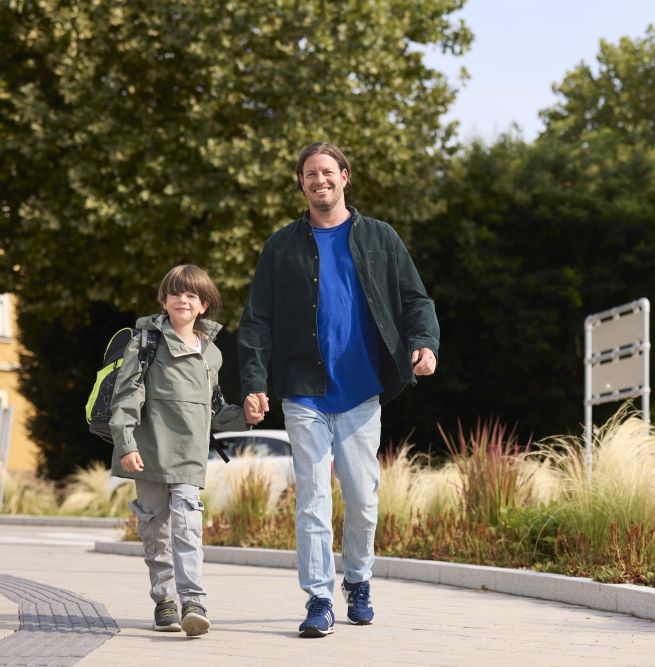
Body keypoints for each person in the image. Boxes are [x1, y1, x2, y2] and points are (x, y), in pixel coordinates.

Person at [237, 142, 440, 638]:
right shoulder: (281, 246)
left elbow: (415, 299)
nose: (319, 180)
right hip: (303, 390)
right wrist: (254, 383)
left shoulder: (379, 237)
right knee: (312, 498)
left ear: (345, 176)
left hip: (361, 391)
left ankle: (359, 580)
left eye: (327, 171)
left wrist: (424, 342)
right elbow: (256, 321)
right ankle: (319, 598)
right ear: (301, 183)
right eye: (310, 174)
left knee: (362, 499)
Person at [109, 264, 263, 637]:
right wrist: (126, 444)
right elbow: (127, 397)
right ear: (163, 301)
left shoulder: (211, 354)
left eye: (192, 295)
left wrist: (245, 416)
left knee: (188, 524)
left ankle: (193, 601)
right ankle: (164, 602)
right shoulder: (145, 343)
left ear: (204, 305)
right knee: (155, 529)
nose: (183, 300)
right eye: (175, 293)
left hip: (190, 456)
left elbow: (214, 409)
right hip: (148, 453)